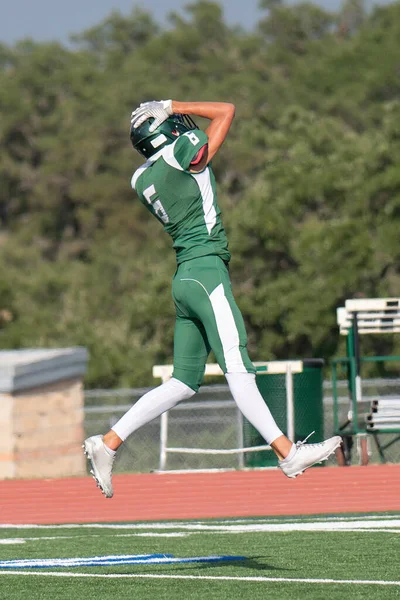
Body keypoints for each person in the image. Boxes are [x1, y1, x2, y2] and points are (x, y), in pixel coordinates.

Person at [83, 100, 342, 498]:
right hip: (206, 272)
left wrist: (163, 118)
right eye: (169, 122)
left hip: (185, 277)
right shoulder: (180, 153)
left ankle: (109, 443)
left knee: (183, 382)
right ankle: (287, 452)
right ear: (162, 133)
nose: (179, 123)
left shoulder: (141, 178)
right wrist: (172, 104)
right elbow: (226, 110)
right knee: (238, 365)